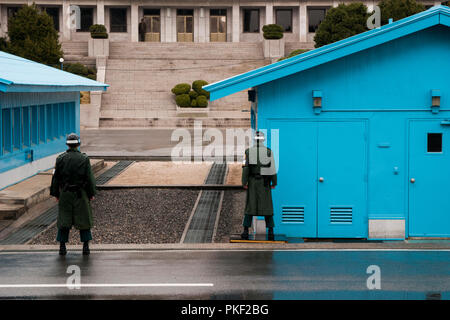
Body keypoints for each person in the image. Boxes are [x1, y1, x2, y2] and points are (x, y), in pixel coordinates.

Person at [50, 133, 96, 256]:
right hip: (81, 193)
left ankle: (62, 247)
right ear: (78, 144)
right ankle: (86, 247)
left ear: (67, 144)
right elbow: (89, 178)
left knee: (64, 220)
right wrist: (91, 193)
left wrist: (56, 194)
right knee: (84, 220)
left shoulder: (60, 159)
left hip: (65, 193)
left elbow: (56, 178)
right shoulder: (84, 159)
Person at [241, 131, 277, 240]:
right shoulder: (268, 152)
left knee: (250, 205)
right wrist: (274, 182)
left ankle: (245, 231)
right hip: (264, 182)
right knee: (267, 206)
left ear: (254, 139)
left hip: (252, 182)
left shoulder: (248, 152)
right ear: (263, 140)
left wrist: (244, 182)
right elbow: (272, 169)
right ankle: (270, 231)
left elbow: (246, 168)